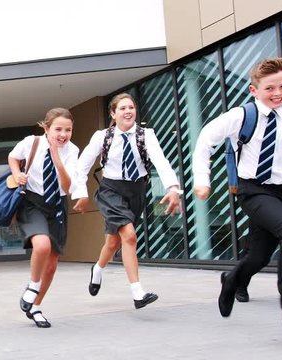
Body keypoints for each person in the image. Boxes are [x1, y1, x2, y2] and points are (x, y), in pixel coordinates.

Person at [193, 57, 282, 319]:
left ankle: (232, 280)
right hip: (254, 190)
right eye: (269, 88)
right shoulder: (242, 115)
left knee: (259, 257)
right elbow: (205, 140)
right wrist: (202, 179)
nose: (277, 94)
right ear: (254, 90)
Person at [72, 93, 181, 310]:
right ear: (113, 113)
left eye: (131, 107)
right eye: (122, 108)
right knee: (129, 237)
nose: (128, 111)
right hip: (111, 190)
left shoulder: (146, 135)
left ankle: (98, 269)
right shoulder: (102, 136)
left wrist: (173, 187)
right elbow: (82, 166)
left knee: (113, 242)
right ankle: (138, 292)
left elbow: (160, 160)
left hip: (136, 191)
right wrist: (80, 193)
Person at [12, 108, 78, 328]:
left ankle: (36, 306)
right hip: (32, 202)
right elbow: (13, 157)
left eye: (68, 130)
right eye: (58, 129)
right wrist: (16, 173)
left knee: (51, 265)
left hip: (57, 204)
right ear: (47, 127)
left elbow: (67, 187)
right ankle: (32, 286)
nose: (63, 134)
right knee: (41, 245)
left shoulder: (72, 150)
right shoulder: (32, 142)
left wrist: (58, 159)